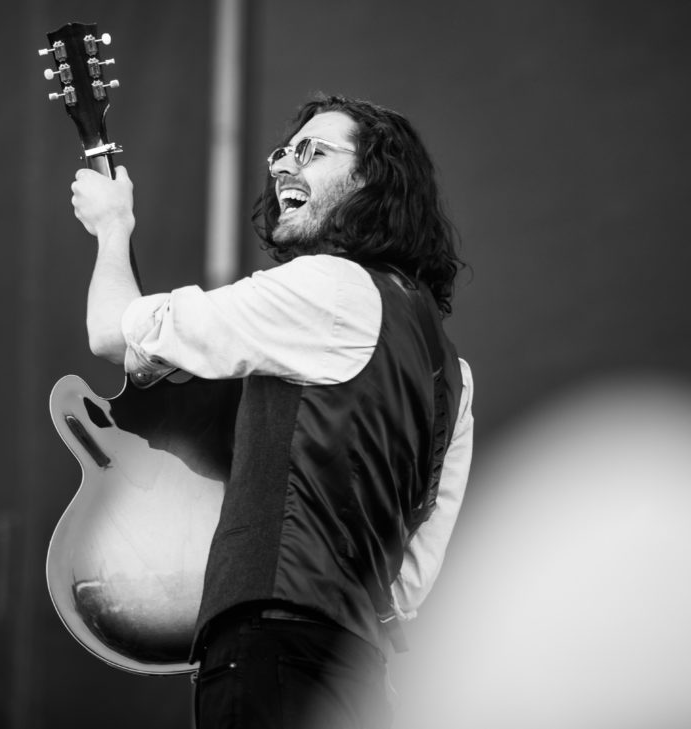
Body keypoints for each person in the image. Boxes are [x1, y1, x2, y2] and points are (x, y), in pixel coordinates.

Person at [70, 95, 474, 729]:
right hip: (360, 677)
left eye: (312, 151)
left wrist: (112, 227)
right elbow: (409, 583)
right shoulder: (455, 375)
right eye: (282, 152)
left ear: (373, 179)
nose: (283, 165)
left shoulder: (329, 287)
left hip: (269, 652)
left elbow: (112, 331)